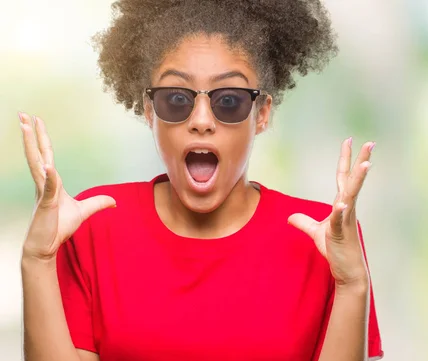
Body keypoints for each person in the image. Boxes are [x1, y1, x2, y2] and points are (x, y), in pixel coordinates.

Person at [19, 0, 383, 360]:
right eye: (177, 99)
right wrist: (37, 259)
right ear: (150, 112)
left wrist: (352, 284)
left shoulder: (325, 237)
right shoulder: (93, 222)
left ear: (262, 114)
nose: (202, 120)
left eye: (229, 101)